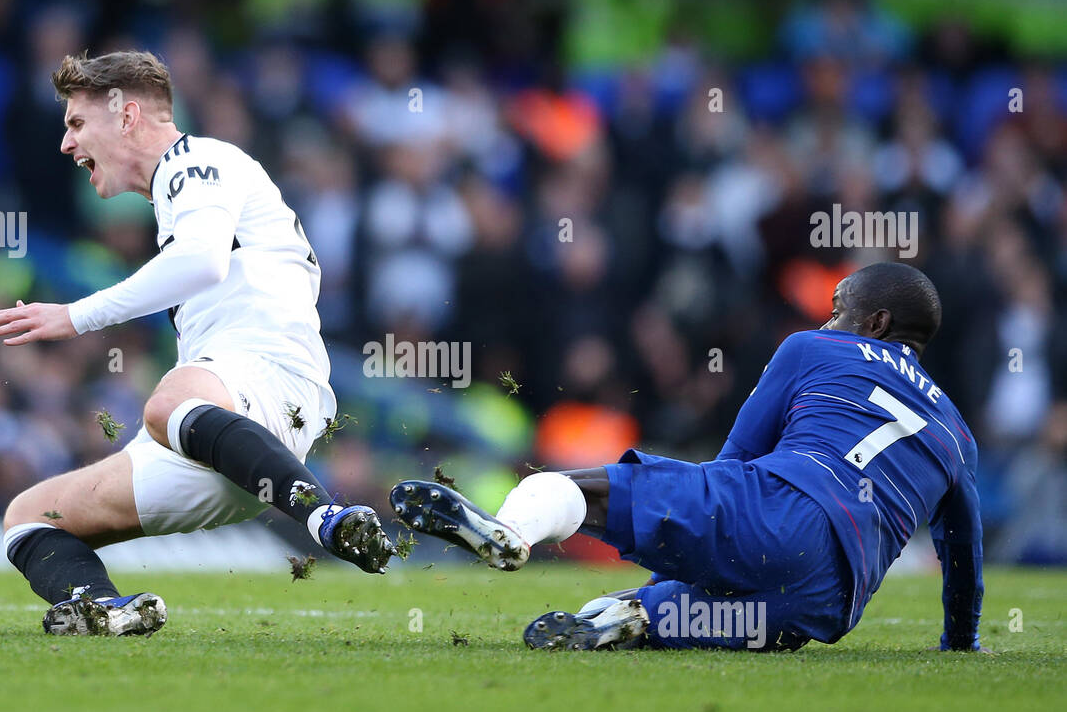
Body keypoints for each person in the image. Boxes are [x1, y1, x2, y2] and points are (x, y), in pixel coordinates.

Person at [0, 50, 394, 636]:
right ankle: (100, 607)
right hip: (228, 439)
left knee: (165, 403)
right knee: (30, 516)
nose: (66, 145)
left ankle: (327, 517)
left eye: (76, 124)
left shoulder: (196, 160)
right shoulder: (180, 192)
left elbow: (200, 263)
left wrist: (76, 315)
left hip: (266, 377)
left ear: (125, 116)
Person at [390, 263, 986, 653]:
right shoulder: (957, 433)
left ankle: (512, 531)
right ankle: (620, 620)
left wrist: (681, 542)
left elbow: (737, 460)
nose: (829, 320)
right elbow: (963, 553)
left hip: (785, 501)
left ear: (875, 322)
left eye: (839, 308)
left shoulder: (815, 348)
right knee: (673, 617)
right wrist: (961, 644)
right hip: (830, 600)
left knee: (581, 487)